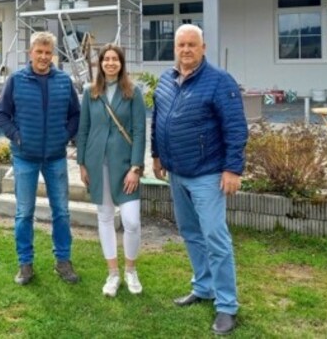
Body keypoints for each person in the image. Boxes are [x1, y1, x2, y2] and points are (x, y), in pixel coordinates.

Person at [151, 24, 248, 335]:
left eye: (192, 45)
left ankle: (227, 306)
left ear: (204, 47)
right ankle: (203, 287)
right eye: (181, 45)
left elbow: (235, 127)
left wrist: (233, 169)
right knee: (191, 233)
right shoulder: (166, 80)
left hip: (207, 174)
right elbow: (158, 121)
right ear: (174, 48)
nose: (186, 50)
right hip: (176, 173)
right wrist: (156, 155)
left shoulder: (220, 82)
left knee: (216, 239)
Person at [0, 31, 82, 285]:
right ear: (30, 53)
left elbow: (75, 115)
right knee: (24, 212)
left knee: (62, 212)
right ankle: (25, 264)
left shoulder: (64, 81)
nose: (43, 57)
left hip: (55, 157)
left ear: (52, 54)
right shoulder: (16, 80)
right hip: (25, 158)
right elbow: (1, 114)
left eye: (47, 52)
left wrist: (64, 136)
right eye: (39, 52)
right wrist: (18, 137)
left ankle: (63, 261)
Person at [76, 44, 146, 297]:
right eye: (106, 59)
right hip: (96, 164)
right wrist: (81, 163)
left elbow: (139, 132)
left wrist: (136, 168)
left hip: (126, 166)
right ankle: (113, 273)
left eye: (115, 59)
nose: (110, 63)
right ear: (100, 64)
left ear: (121, 63)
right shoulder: (90, 92)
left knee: (131, 221)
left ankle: (131, 270)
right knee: (105, 217)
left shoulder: (133, 93)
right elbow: (82, 130)